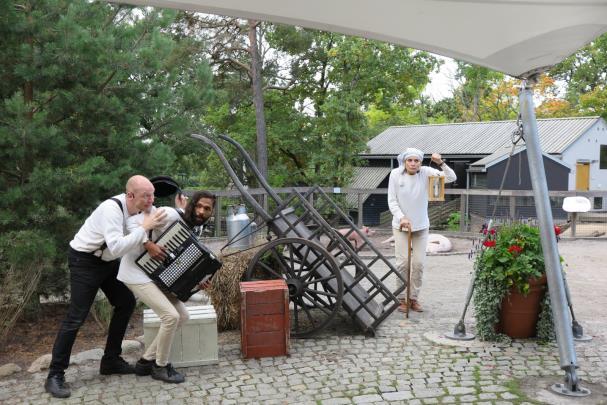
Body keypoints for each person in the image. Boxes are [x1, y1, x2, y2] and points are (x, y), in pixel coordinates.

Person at [45, 175, 167, 398]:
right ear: (130, 195)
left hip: (107, 261)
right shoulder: (111, 209)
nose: (151, 200)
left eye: (152, 195)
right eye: (145, 196)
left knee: (125, 302)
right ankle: (55, 375)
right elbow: (118, 246)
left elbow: (141, 235)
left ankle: (110, 360)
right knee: (76, 317)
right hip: (85, 260)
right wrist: (145, 229)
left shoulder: (141, 210)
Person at [117, 206, 211, 384]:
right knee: (171, 316)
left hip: (156, 277)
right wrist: (147, 243)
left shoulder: (194, 228)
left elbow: (181, 265)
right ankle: (160, 366)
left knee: (182, 315)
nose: (201, 211)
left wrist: (197, 282)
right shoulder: (169, 213)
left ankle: (145, 362)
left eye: (207, 208)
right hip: (136, 273)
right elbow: (130, 222)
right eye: (198, 206)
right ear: (191, 204)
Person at [388, 148, 456, 313]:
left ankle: (413, 298)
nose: (413, 163)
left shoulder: (426, 172)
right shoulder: (395, 174)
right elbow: (392, 200)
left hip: (421, 226)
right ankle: (402, 298)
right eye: (409, 160)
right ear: (404, 161)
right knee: (403, 263)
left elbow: (451, 177)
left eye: (416, 161)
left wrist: (440, 162)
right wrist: (401, 217)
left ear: (420, 162)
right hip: (401, 226)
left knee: (418, 264)